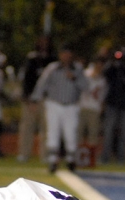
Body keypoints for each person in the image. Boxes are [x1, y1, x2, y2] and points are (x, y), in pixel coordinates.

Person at [30, 43, 88, 173]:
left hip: (71, 105)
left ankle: (70, 161)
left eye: (68, 53)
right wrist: (35, 99)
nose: (66, 56)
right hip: (54, 104)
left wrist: (75, 79)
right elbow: (42, 84)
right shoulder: (53, 68)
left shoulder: (77, 69)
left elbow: (85, 86)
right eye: (64, 53)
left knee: (70, 133)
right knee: (53, 132)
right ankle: (52, 161)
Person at [16, 36, 55, 163]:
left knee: (46, 129)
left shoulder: (52, 60)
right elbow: (26, 79)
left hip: (46, 99)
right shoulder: (32, 59)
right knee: (27, 128)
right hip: (31, 99)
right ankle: (24, 153)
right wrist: (28, 98)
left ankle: (45, 155)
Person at [100, 47, 125, 164]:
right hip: (112, 103)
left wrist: (124, 76)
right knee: (108, 131)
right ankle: (105, 157)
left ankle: (121, 157)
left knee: (124, 133)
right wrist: (112, 65)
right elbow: (105, 76)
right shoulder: (111, 67)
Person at [78, 56, 106, 148]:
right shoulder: (86, 74)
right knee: (78, 132)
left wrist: (101, 106)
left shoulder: (103, 79)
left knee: (93, 133)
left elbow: (103, 95)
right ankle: (77, 155)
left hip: (94, 108)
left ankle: (91, 156)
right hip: (82, 106)